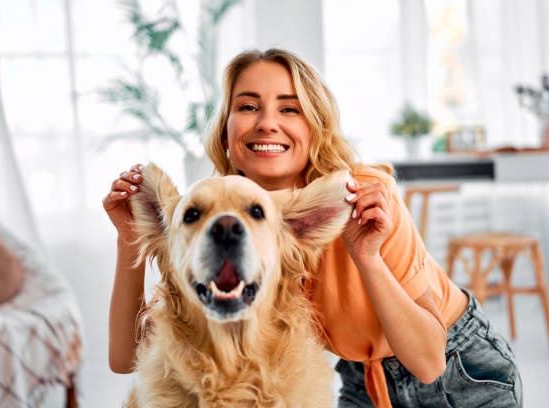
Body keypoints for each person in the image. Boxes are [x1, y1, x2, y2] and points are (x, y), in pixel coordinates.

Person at [104, 48, 522, 407]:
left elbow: (430, 362)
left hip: (460, 370)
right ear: (227, 132)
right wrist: (132, 241)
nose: (267, 122)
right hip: (361, 377)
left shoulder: (363, 197)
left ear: (314, 128)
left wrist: (367, 255)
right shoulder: (209, 220)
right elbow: (127, 359)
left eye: (289, 108)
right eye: (248, 106)